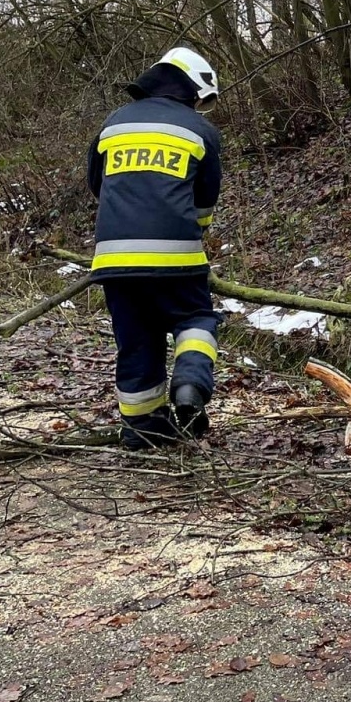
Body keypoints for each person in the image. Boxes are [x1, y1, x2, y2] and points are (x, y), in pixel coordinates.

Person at [87, 47, 223, 449]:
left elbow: (97, 185)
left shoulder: (113, 124)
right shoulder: (199, 130)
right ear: (191, 88)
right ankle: (190, 384)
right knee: (196, 318)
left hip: (114, 258)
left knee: (136, 340)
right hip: (176, 257)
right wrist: (195, 232)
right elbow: (205, 200)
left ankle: (142, 430)